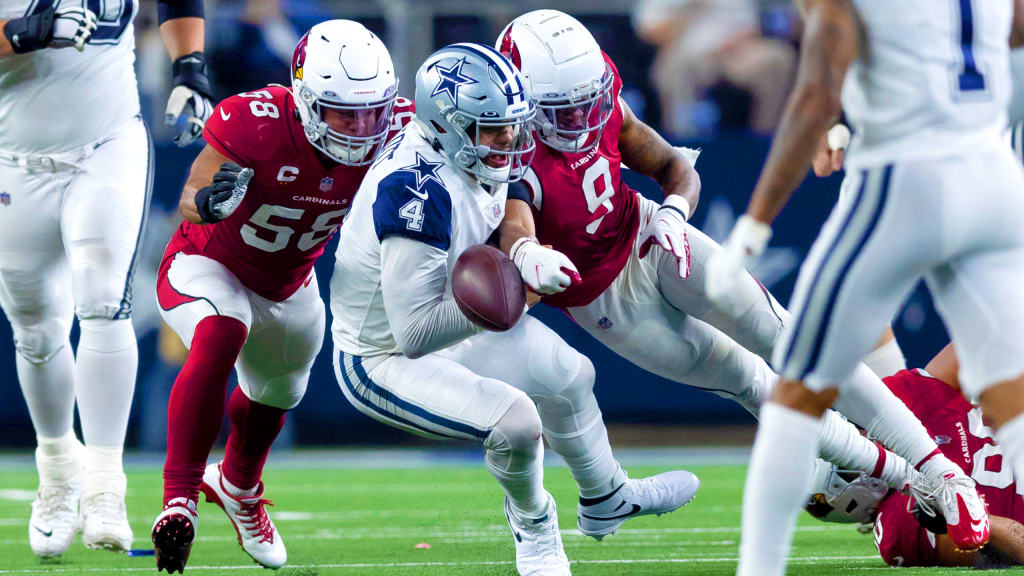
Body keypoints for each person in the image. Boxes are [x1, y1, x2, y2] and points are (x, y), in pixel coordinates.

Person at [495, 8, 966, 537]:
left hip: (650, 235)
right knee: (751, 381)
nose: (582, 119)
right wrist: (525, 255)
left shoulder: (600, 103)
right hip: (607, 302)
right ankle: (908, 476)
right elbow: (514, 228)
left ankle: (939, 468)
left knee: (792, 340)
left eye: (589, 102)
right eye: (565, 109)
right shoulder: (507, 151)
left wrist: (672, 211)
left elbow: (674, 165)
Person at [706, 0, 1024, 573]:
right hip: (992, 171)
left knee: (795, 395)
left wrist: (753, 227)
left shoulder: (905, 421)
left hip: (911, 172)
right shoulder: (905, 517)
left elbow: (817, 90)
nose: (858, 430)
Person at [150, 20, 411, 573]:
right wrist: (211, 202)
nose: (363, 126)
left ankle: (240, 487)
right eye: (344, 111)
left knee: (278, 394)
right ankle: (179, 500)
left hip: (291, 283)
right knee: (223, 329)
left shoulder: (400, 130)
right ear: (307, 99)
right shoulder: (256, 120)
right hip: (207, 264)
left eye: (372, 110)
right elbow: (191, 196)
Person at [330, 42, 596, 576]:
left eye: (513, 125)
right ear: (446, 125)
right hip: (380, 358)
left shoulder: (465, 152)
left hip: (449, 329)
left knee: (571, 372)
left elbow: (504, 191)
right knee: (518, 423)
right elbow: (414, 333)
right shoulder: (414, 190)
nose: (510, 140)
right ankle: (536, 523)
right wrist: (516, 286)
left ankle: (608, 493)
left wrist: (524, 248)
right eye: (492, 127)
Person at [0, 0, 212, 558]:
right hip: (10, 159)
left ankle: (103, 482)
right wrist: (23, 33)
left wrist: (190, 63)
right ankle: (57, 466)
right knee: (35, 328)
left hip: (106, 146)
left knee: (101, 296)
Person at [808, 344, 1024, 568]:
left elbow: (979, 342)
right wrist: (969, 516)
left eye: (851, 436)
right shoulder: (898, 526)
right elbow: (1016, 546)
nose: (861, 442)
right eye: (849, 457)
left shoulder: (894, 403)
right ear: (848, 501)